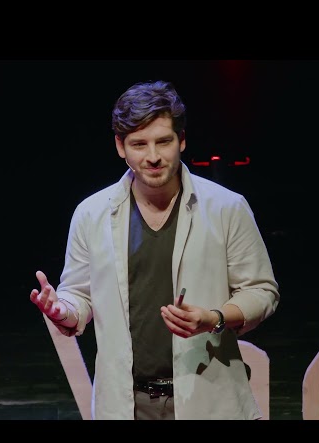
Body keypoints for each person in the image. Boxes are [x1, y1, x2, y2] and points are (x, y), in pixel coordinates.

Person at [29, 80, 280, 420]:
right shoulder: (92, 213)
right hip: (126, 404)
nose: (153, 157)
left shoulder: (226, 207)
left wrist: (214, 318)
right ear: (120, 146)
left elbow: (261, 291)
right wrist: (63, 309)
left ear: (182, 140)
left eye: (163, 141)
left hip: (209, 398)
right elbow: (79, 294)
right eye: (139, 144)